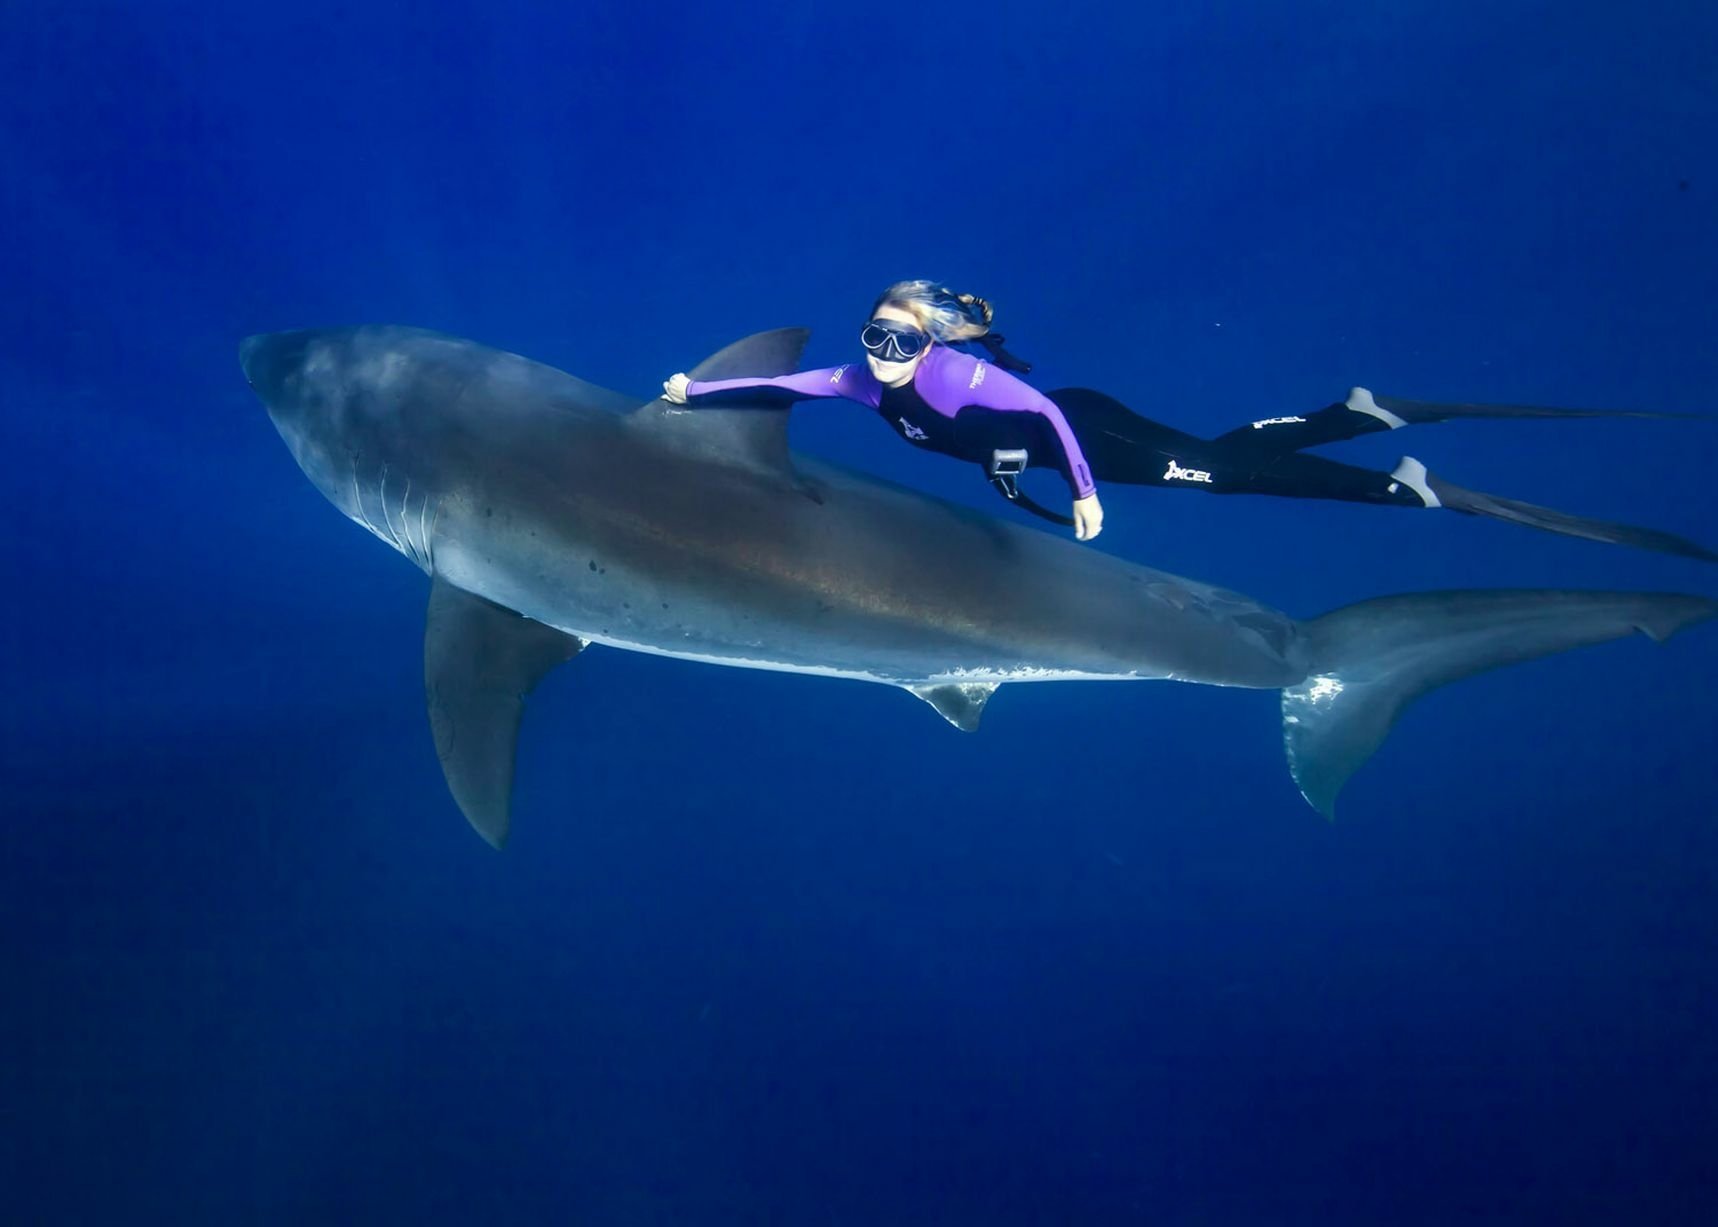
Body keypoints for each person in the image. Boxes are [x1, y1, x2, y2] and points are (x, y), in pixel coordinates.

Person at [663, 280, 1715, 561]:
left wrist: (1080, 501)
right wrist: (691, 395)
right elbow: (783, 389)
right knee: (1216, 457)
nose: (885, 358)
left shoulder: (972, 384)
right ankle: (1351, 413)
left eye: (903, 343)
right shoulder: (856, 382)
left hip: (1083, 432)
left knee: (1221, 475)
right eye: (876, 340)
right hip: (1048, 444)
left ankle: (1404, 486)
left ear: (932, 346)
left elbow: (1045, 422)